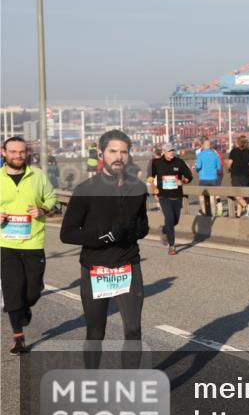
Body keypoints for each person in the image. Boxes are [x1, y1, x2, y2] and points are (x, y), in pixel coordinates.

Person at [59, 129, 149, 349]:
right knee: (96, 333)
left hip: (128, 266)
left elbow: (143, 226)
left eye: (124, 152)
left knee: (133, 330)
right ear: (101, 154)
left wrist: (130, 231)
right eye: (113, 151)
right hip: (95, 269)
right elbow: (67, 233)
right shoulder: (85, 190)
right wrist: (103, 237)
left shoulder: (138, 188)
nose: (119, 156)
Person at [1, 137, 57, 355]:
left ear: (27, 153)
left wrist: (42, 209)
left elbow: (51, 198)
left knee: (33, 290)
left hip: (34, 243)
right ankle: (18, 338)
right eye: (13, 151)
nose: (18, 156)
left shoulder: (38, 176)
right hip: (6, 244)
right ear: (3, 152)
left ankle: (25, 308)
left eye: (22, 152)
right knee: (13, 289)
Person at [150, 143, 192, 255]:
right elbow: (150, 176)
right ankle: (172, 246)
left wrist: (182, 181)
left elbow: (189, 176)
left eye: (172, 150)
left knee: (175, 220)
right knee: (169, 218)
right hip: (164, 196)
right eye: (169, 151)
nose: (171, 152)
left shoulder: (179, 162)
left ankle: (164, 230)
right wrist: (153, 187)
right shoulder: (157, 163)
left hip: (177, 196)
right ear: (164, 152)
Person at [227, 135, 249, 218]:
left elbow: (229, 163)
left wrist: (229, 170)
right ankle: (238, 215)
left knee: (237, 194)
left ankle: (247, 207)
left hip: (236, 175)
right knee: (242, 195)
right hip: (246, 176)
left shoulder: (233, 151)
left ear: (238, 142)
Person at [195, 139, 222, 216]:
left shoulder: (200, 155)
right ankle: (213, 215)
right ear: (210, 146)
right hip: (213, 178)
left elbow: (198, 166)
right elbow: (219, 168)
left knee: (201, 197)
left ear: (203, 145)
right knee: (212, 197)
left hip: (203, 179)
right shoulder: (215, 155)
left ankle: (204, 213)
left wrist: (197, 169)